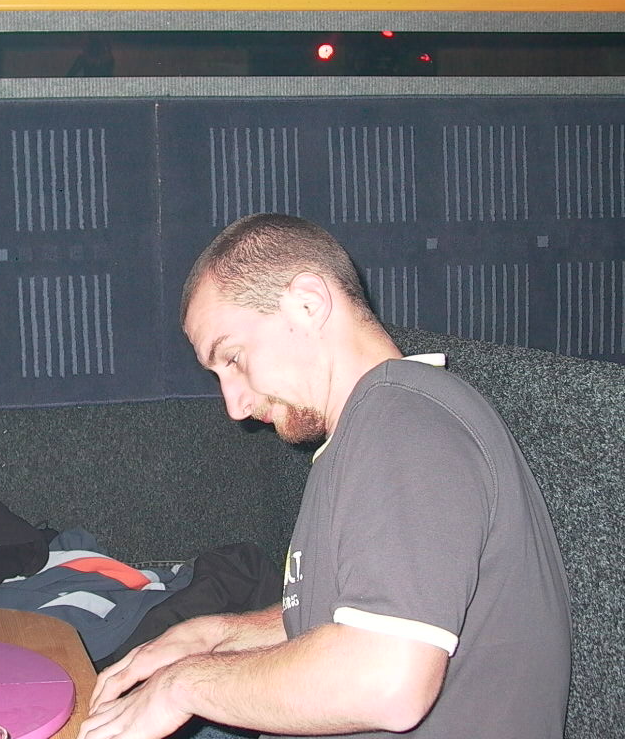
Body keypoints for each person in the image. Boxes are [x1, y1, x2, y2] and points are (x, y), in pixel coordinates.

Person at [79, 213, 571, 739]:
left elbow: (386, 680)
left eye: (234, 358)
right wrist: (214, 637)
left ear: (308, 303)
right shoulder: (374, 426)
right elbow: (354, 612)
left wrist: (181, 686)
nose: (235, 406)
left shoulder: (402, 421)